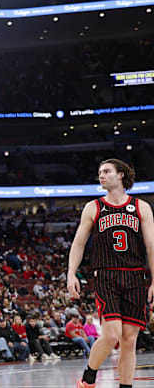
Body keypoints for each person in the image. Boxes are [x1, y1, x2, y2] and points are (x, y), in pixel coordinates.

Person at [67, 159, 154, 388]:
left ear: (121, 175)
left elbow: (151, 247)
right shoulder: (93, 207)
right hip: (106, 275)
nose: (101, 176)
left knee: (129, 340)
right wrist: (71, 274)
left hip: (136, 276)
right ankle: (88, 376)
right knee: (112, 334)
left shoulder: (141, 207)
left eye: (106, 171)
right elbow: (78, 244)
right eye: (99, 172)